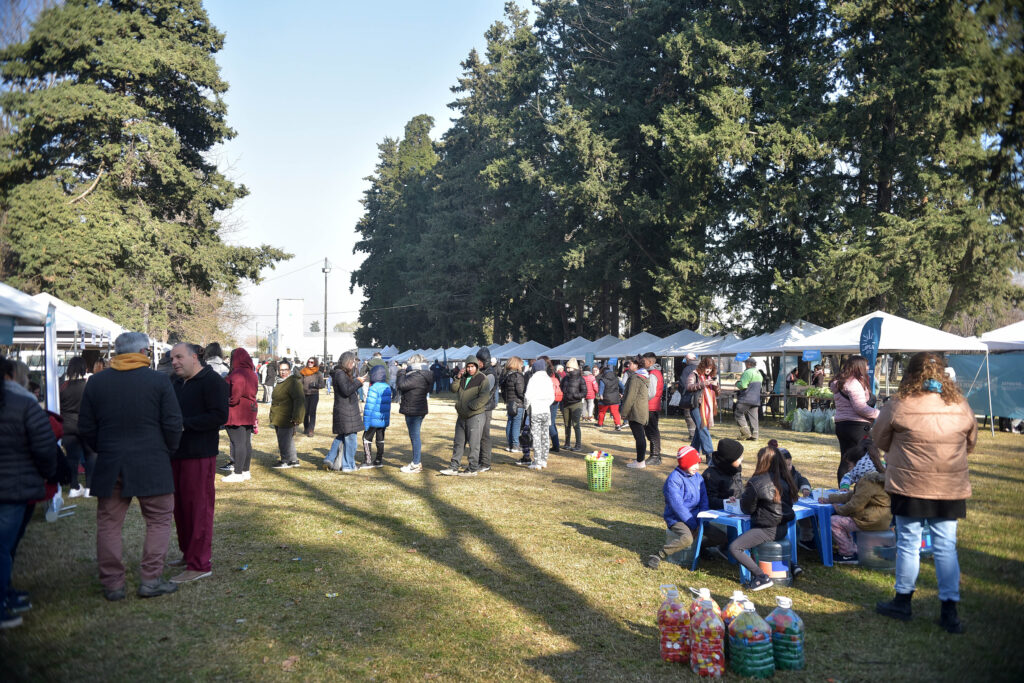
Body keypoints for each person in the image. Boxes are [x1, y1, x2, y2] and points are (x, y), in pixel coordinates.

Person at [873, 352, 976, 634]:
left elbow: (879, 437)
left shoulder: (898, 404)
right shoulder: (960, 405)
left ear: (910, 373)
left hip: (910, 485)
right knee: (945, 547)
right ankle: (949, 611)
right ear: (943, 373)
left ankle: (903, 601)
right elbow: (971, 441)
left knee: (908, 543)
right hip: (949, 487)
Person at [79, 332, 183, 600]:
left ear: (117, 352)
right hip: (152, 461)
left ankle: (113, 584)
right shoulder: (159, 380)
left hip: (111, 460)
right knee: (159, 520)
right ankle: (151, 579)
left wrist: (104, 449)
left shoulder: (97, 382)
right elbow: (173, 423)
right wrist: (167, 449)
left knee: (109, 523)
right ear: (144, 352)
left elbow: (86, 428)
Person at [0, 355, 58, 628]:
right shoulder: (24, 404)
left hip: (14, 485)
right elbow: (45, 447)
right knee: (4, 547)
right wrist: (47, 473)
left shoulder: (21, 404)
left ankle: (6, 594)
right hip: (14, 488)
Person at [169, 343, 228, 583]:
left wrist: (186, 424)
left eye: (179, 357)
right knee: (180, 507)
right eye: (172, 358)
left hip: (200, 454)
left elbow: (219, 416)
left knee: (198, 509)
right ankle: (187, 553)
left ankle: (200, 563)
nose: (174, 362)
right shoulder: (175, 382)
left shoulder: (212, 381)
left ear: (195, 357)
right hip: (176, 453)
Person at [725, 445, 797, 591]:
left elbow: (747, 508)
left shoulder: (757, 482)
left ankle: (761, 577)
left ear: (761, 461)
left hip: (767, 528)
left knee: (735, 547)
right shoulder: (786, 479)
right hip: (782, 528)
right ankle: (792, 565)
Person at [820, 450, 890, 564]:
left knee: (834, 522)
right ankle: (852, 548)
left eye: (850, 465)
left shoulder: (868, 482)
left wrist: (838, 509)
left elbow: (855, 505)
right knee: (842, 521)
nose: (849, 469)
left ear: (859, 464)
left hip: (872, 520)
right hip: (880, 518)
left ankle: (847, 553)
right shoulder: (871, 478)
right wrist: (830, 499)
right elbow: (852, 495)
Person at [646, 446, 708, 569]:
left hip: (696, 517)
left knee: (719, 536)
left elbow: (704, 500)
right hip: (677, 519)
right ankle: (660, 554)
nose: (697, 466)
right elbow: (677, 506)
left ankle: (701, 549)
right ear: (684, 463)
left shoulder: (698, 477)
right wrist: (692, 524)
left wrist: (702, 519)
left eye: (697, 463)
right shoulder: (674, 480)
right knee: (687, 539)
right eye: (693, 463)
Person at [831, 355, 879, 485]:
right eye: (866, 365)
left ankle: (842, 491)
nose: (868, 368)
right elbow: (860, 408)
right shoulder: (854, 383)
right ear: (859, 367)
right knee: (863, 460)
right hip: (857, 426)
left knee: (845, 460)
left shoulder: (839, 382)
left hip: (841, 425)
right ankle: (859, 492)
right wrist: (879, 414)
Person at [441, 355, 489, 476]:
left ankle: (472, 468)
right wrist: (457, 377)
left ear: (476, 366)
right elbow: (453, 389)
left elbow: (484, 397)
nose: (470, 369)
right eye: (468, 366)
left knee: (474, 444)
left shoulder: (482, 378)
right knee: (458, 442)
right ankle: (454, 467)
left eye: (472, 366)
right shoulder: (463, 377)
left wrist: (471, 407)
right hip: (462, 416)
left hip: (475, 415)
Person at [60, 356, 95, 498]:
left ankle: (74, 487)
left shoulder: (62, 386)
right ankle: (89, 488)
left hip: (67, 426)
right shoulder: (88, 385)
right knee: (91, 455)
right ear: (84, 368)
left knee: (72, 458)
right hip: (85, 425)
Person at [222, 348, 258, 483]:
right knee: (246, 441)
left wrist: (231, 401)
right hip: (250, 409)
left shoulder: (237, 374)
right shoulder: (252, 373)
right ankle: (245, 470)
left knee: (238, 442)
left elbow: (236, 390)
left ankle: (237, 472)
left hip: (237, 410)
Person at [324, 351, 365, 472]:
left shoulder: (341, 373)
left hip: (345, 409)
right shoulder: (340, 374)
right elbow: (346, 391)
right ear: (347, 361)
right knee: (351, 438)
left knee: (342, 435)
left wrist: (356, 381)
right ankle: (348, 465)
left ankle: (330, 458)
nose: (354, 365)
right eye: (352, 362)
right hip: (346, 410)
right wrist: (358, 382)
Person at [396, 354, 431, 473]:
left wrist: (401, 372)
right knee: (414, 436)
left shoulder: (417, 375)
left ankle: (416, 463)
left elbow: (401, 385)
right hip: (418, 408)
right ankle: (416, 462)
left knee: (415, 436)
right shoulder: (425, 374)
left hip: (413, 408)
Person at [269, 360, 305, 469]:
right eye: (281, 370)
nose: (283, 372)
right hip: (279, 415)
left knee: (284, 440)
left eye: (285, 369)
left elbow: (299, 400)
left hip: (287, 416)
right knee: (287, 440)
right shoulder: (280, 381)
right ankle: (293, 460)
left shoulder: (293, 382)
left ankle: (285, 460)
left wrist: (297, 417)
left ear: (289, 370)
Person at [523, 359, 554, 470]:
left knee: (536, 437)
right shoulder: (548, 380)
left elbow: (527, 396)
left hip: (535, 410)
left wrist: (527, 408)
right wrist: (546, 404)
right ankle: (544, 460)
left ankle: (537, 461)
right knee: (545, 436)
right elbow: (552, 397)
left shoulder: (533, 379)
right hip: (546, 411)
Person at [622, 357, 652, 469]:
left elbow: (630, 397)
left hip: (636, 410)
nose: (628, 365)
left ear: (636, 365)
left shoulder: (635, 378)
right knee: (640, 436)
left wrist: (624, 412)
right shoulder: (643, 376)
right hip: (641, 409)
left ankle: (640, 461)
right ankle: (640, 460)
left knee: (639, 437)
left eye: (630, 363)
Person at [359, 364, 391, 469]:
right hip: (383, 419)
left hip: (373, 420)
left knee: (366, 439)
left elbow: (369, 407)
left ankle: (368, 461)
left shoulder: (373, 388)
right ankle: (378, 460)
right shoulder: (387, 387)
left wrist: (366, 423)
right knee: (380, 439)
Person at [686, 357, 719, 459]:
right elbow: (689, 386)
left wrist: (716, 385)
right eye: (707, 368)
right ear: (702, 366)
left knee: (699, 432)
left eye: (711, 368)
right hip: (696, 405)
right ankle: (710, 454)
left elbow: (717, 393)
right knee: (702, 427)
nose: (708, 370)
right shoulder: (694, 374)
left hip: (707, 407)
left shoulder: (711, 377)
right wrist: (703, 384)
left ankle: (692, 454)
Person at [476, 347, 499, 473]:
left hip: (485, 408)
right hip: (480, 407)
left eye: (479, 360)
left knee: (484, 435)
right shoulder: (482, 371)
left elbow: (485, 392)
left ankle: (485, 463)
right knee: (478, 436)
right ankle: (480, 461)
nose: (477, 362)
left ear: (484, 361)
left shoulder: (490, 374)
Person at [641, 352, 664, 465]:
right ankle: (655, 455)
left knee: (652, 432)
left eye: (644, 361)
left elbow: (651, 392)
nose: (642, 363)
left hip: (651, 406)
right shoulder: (655, 372)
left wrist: (641, 400)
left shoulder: (653, 373)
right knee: (652, 430)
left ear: (650, 362)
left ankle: (655, 456)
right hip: (652, 405)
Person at [559, 358, 587, 452]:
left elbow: (584, 392)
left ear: (574, 368)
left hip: (576, 404)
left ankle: (578, 445)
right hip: (566, 404)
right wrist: (562, 395)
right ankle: (567, 443)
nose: (567, 369)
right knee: (567, 425)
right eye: (567, 367)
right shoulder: (565, 378)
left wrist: (575, 395)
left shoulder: (580, 379)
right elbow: (560, 388)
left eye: (569, 368)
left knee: (576, 425)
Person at [501, 357, 526, 454]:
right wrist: (525, 399)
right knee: (516, 424)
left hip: (510, 402)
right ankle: (515, 445)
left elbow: (503, 391)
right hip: (518, 403)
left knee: (510, 423)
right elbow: (520, 391)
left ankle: (510, 444)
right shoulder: (518, 376)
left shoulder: (506, 375)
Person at [734, 358, 762, 441]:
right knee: (754, 417)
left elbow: (743, 385)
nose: (745, 364)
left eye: (745, 363)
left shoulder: (747, 372)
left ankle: (745, 433)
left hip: (746, 398)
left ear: (749, 364)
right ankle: (755, 435)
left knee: (738, 414)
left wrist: (737, 383)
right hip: (756, 399)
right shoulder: (758, 373)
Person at [299, 357, 324, 437]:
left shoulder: (318, 373)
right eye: (309, 361)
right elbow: (300, 383)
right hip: (304, 394)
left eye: (312, 362)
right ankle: (306, 428)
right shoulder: (303, 372)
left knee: (312, 412)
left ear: (315, 363)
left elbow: (322, 385)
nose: (310, 363)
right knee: (305, 413)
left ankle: (311, 430)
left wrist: (315, 385)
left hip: (314, 394)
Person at [596, 363, 623, 430]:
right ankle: (618, 425)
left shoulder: (603, 379)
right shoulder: (616, 379)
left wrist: (601, 394)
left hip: (605, 398)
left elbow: (601, 387)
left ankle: (600, 424)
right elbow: (622, 387)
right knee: (615, 412)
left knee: (602, 412)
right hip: (615, 398)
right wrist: (622, 393)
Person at [679, 353, 699, 440]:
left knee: (689, 416)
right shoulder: (702, 367)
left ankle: (692, 435)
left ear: (687, 360)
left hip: (690, 396)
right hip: (702, 396)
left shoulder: (687, 369)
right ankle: (699, 434)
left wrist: (683, 393)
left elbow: (682, 383)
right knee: (699, 417)